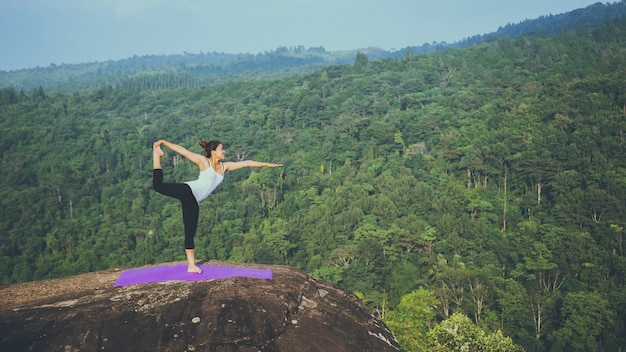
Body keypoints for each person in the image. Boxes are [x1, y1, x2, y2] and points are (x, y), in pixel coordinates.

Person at [152, 139, 282, 273]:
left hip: (194, 201)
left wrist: (267, 164)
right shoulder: (204, 162)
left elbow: (247, 163)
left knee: (190, 232)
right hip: (188, 190)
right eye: (221, 149)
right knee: (158, 186)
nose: (224, 151)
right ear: (213, 152)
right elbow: (183, 151)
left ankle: (191, 265)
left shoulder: (225, 167)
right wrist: (163, 142)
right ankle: (157, 154)